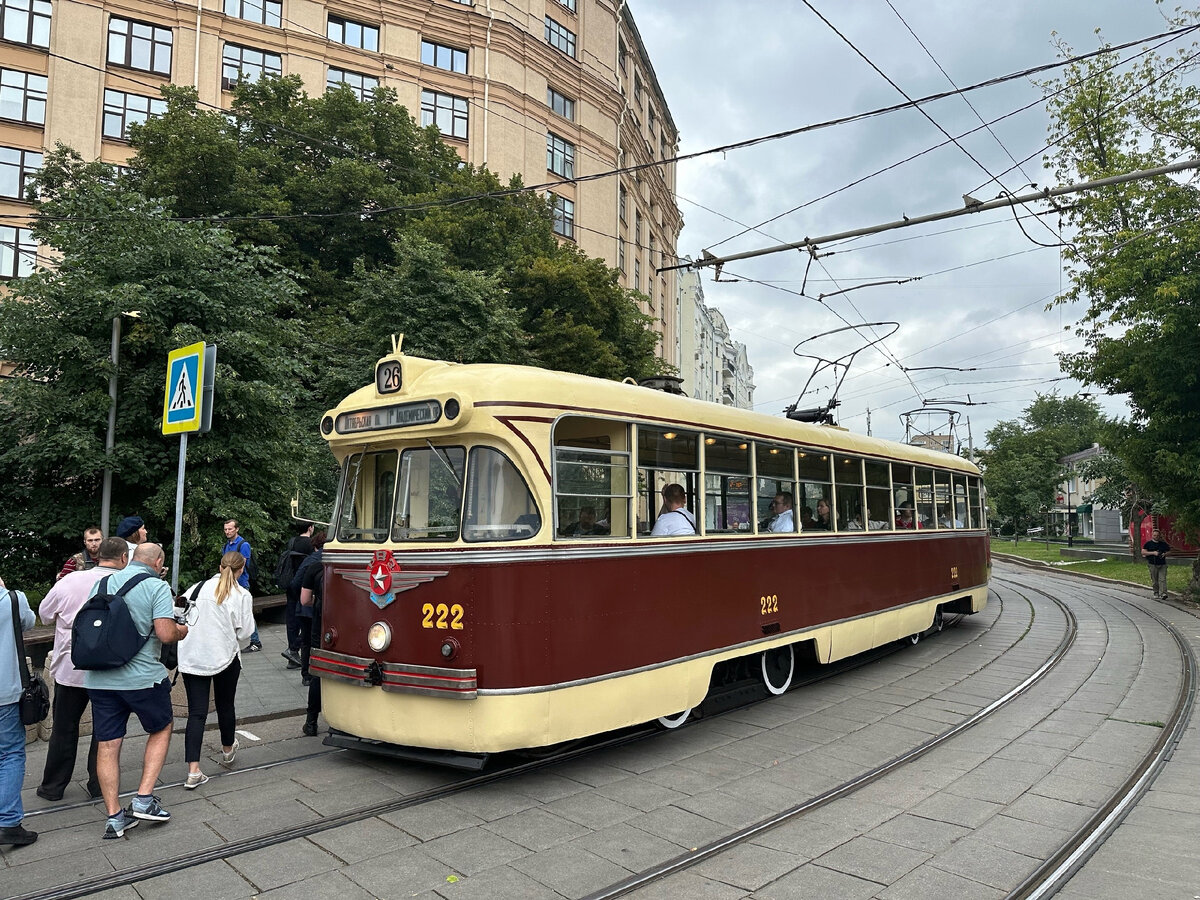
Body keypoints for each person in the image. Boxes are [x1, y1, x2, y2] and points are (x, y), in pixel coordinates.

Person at [85, 543, 188, 839]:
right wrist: (182, 629)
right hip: (142, 678)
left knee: (107, 744)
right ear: (157, 563)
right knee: (162, 727)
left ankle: (115, 817)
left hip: (100, 678)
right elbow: (166, 633)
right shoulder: (155, 586)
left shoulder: (101, 582)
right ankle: (144, 800)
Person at [36, 537, 130, 802]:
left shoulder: (70, 581)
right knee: (106, 729)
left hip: (71, 664)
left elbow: (44, 614)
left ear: (97, 555)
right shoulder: (127, 583)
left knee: (64, 726)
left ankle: (53, 786)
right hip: (110, 668)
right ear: (123, 558)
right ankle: (100, 784)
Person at [177, 551, 256, 790]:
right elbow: (245, 633)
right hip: (225, 656)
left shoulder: (195, 588)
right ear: (241, 570)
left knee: (196, 713)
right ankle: (228, 749)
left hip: (192, 656)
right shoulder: (242, 595)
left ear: (219, 566)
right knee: (225, 704)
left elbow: (179, 616)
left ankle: (193, 770)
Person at [1, 577, 37, 847]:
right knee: (11, 752)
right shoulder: (13, 599)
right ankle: (9, 822)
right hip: (7, 690)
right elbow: (28, 622)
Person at [299, 537, 326, 736]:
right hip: (346, 624)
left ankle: (311, 721)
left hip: (320, 622)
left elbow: (305, 600)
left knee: (317, 670)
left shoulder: (314, 567)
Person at [293, 533, 326, 689]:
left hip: (308, 608)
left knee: (307, 642)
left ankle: (307, 674)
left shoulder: (310, 561)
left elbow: (296, 583)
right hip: (324, 608)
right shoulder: (332, 561)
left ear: (315, 546)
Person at [222, 519, 261, 652]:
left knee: (246, 612)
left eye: (230, 529)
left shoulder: (243, 545)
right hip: (229, 583)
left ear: (237, 529)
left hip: (241, 584)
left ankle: (255, 641)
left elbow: (241, 566)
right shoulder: (227, 545)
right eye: (226, 529)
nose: (227, 531)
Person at [280, 524, 314, 669]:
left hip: (290, 584)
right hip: (304, 585)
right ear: (311, 528)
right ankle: (294, 649)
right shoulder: (311, 544)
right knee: (307, 621)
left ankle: (292, 657)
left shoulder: (292, 541)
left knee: (292, 621)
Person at [1142, 527, 1171, 599]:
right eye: (1155, 535)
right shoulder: (1148, 544)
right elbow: (1143, 552)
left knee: (1162, 579)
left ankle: (1163, 593)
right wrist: (1153, 553)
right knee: (1155, 580)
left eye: (1157, 535)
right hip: (1152, 563)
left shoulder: (1163, 544)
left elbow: (1169, 551)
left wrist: (1165, 554)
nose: (1156, 537)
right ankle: (1156, 592)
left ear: (1159, 536)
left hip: (1162, 563)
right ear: (1152, 535)